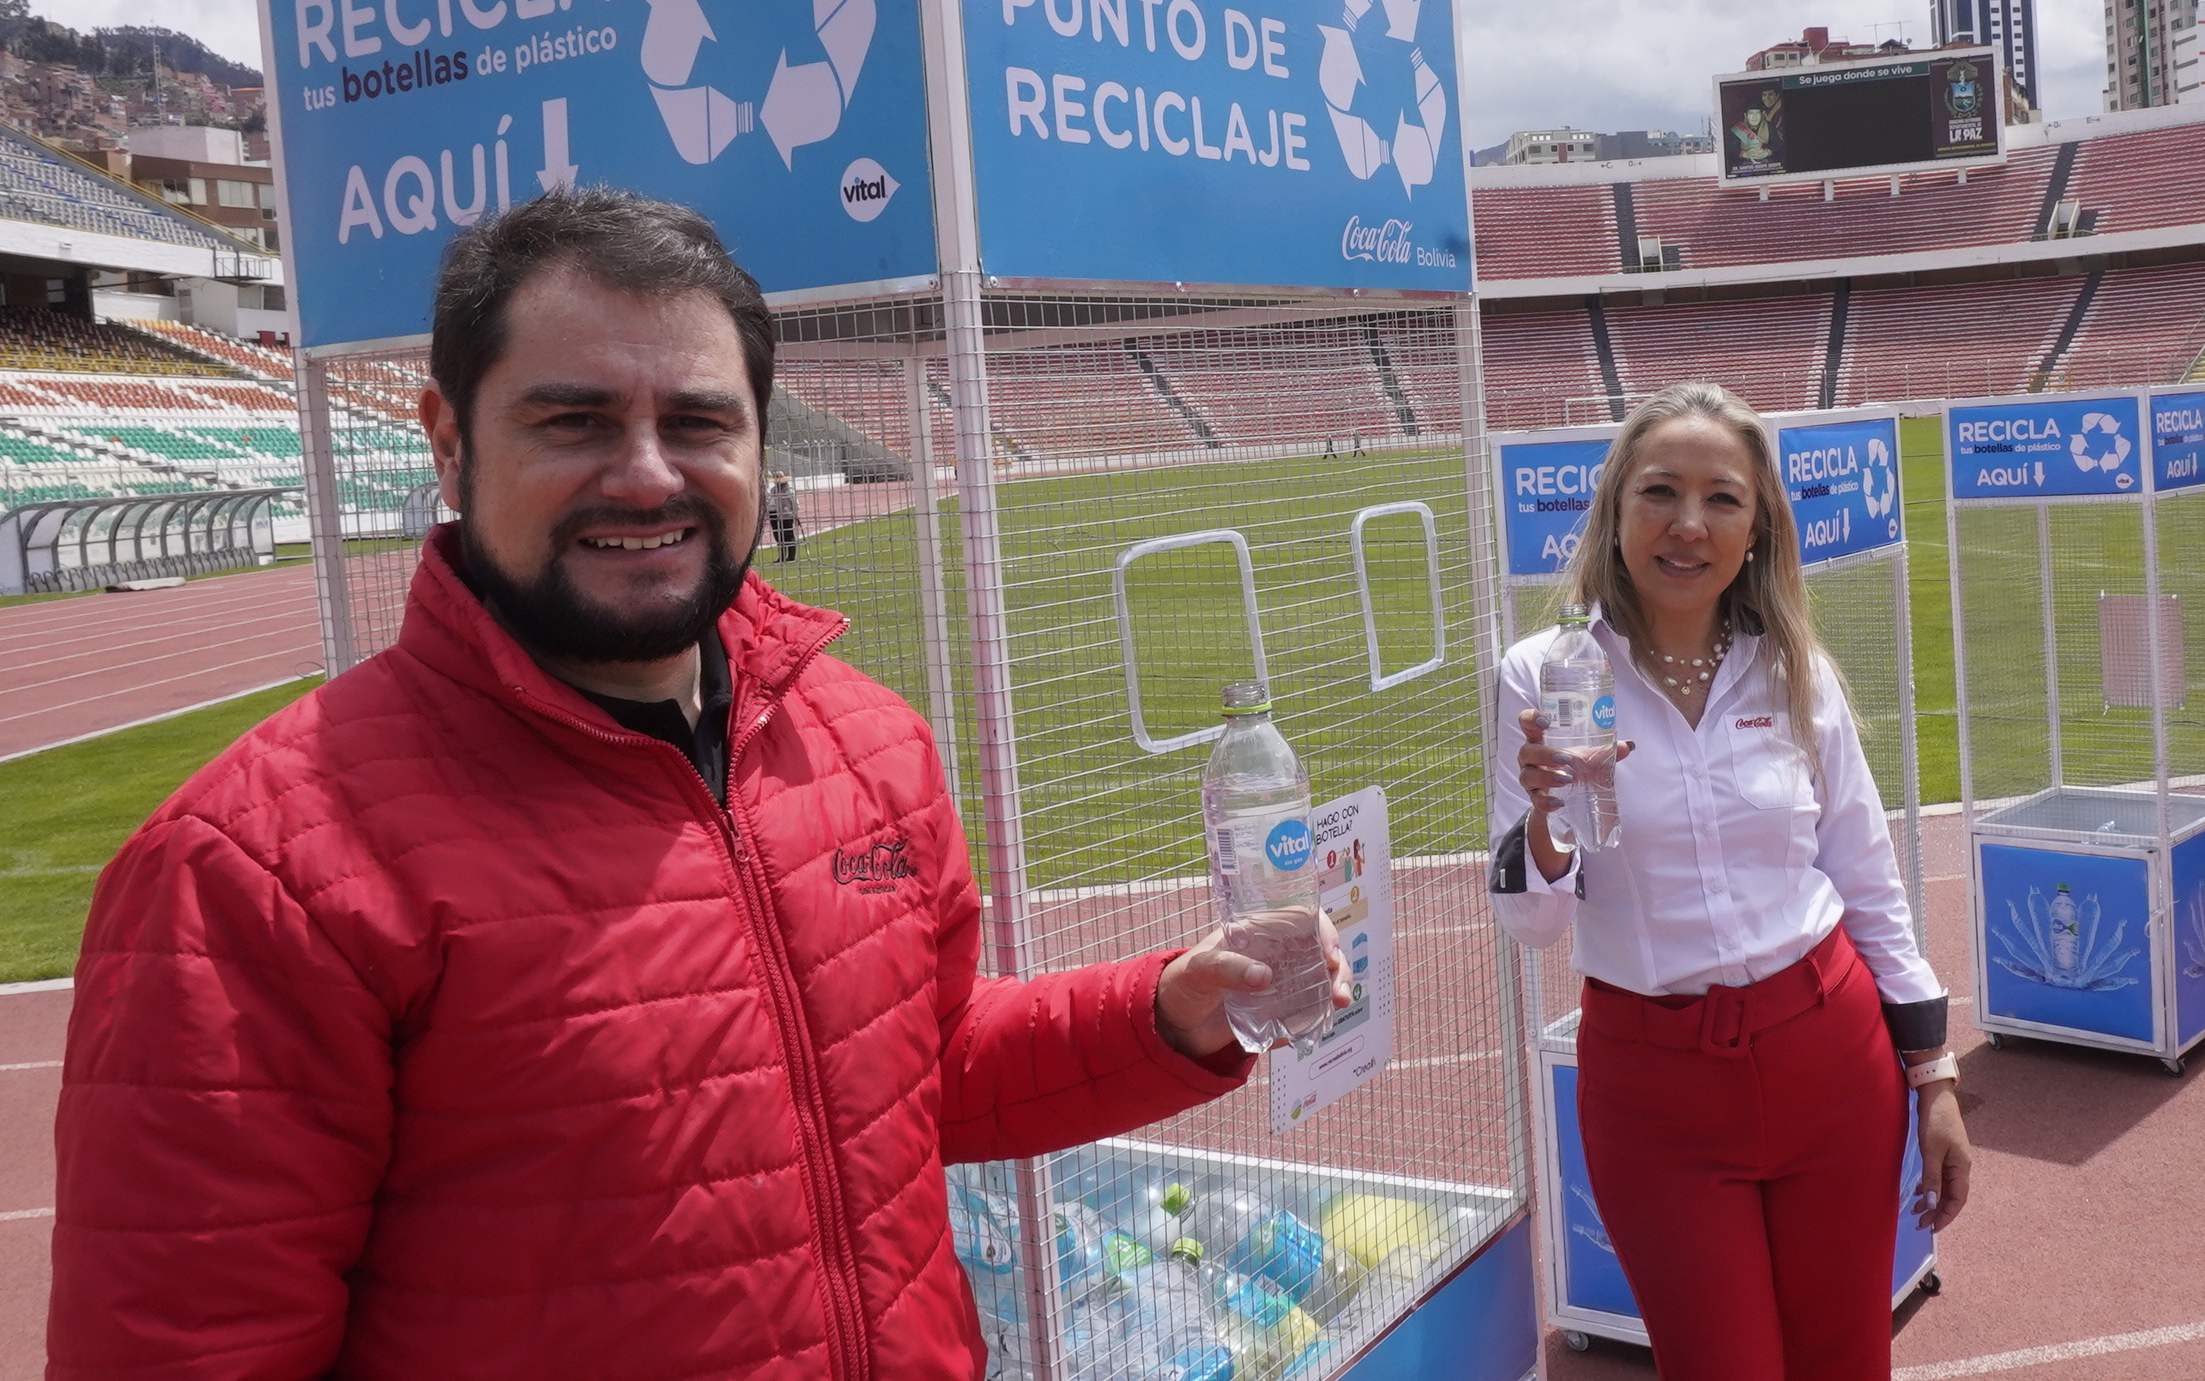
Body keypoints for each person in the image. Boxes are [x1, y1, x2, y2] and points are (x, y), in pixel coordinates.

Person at [49, 187, 1342, 1379]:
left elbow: (921, 1075)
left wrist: (1168, 1014)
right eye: (576, 420)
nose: (649, 474)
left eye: (699, 421)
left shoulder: (867, 744)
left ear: (759, 449)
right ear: (448, 442)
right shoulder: (250, 870)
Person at [1486, 382, 1968, 1381]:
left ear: (1756, 528)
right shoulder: (1542, 675)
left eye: (1723, 499)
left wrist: (1935, 1076)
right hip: (1655, 1086)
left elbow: (1866, 880)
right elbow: (1531, 923)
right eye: (1659, 491)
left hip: (1828, 1054)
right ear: (1615, 507)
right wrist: (1543, 818)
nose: (1687, 524)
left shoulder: (1794, 668)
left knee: (1845, 1361)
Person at [764, 468, 802, 562]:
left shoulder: (789, 490)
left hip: (786, 515)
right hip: (776, 515)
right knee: (779, 536)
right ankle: (781, 557)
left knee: (788, 535)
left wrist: (794, 513)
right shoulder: (773, 490)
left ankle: (791, 556)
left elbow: (795, 503)